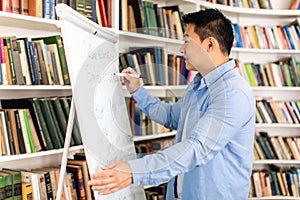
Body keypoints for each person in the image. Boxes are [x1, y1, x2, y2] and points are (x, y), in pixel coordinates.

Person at [88, 8, 256, 199]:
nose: (182, 49)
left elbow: (197, 148)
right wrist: (137, 90)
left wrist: (134, 172)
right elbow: (171, 117)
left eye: (186, 41)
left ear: (210, 45)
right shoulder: (199, 85)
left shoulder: (234, 94)